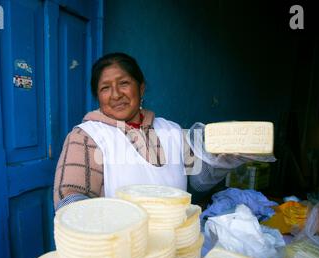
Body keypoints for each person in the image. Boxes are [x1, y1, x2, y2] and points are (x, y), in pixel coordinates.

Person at [53, 52, 275, 210]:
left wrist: (225, 159)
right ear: (97, 96)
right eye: (105, 88)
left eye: (123, 83)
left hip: (175, 248)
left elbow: (199, 180)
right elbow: (69, 200)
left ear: (141, 88)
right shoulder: (87, 136)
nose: (115, 94)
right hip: (122, 253)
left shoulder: (171, 130)